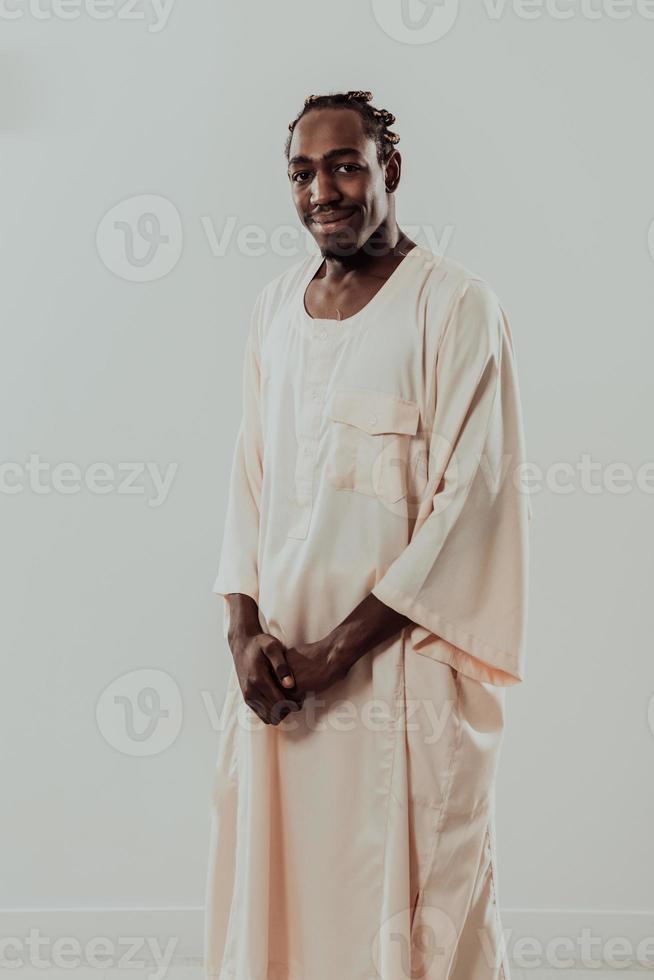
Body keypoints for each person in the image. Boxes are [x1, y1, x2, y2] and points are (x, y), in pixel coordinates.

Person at [204, 89, 531, 980]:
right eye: (303, 172)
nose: (324, 190)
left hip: (400, 680)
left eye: (345, 165)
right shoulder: (274, 308)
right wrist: (244, 636)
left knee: (415, 916)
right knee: (280, 908)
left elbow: (471, 507)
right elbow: (249, 480)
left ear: (390, 169)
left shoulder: (455, 307)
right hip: (281, 687)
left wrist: (336, 653)